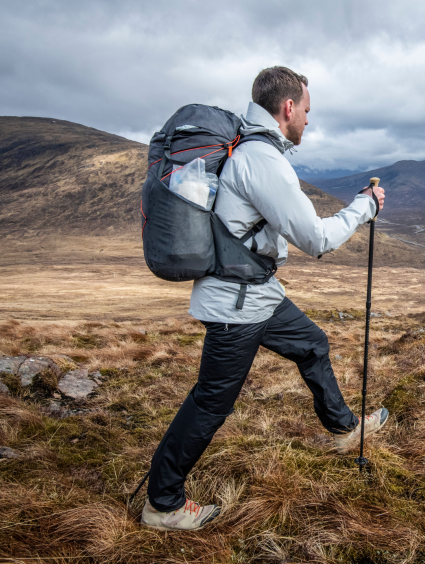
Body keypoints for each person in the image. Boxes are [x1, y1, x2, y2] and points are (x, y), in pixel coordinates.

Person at [141, 66, 389, 531]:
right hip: (237, 305)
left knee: (312, 343)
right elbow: (315, 238)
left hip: (256, 293)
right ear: (288, 108)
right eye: (307, 112)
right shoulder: (260, 158)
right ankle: (163, 503)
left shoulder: (253, 150)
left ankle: (343, 428)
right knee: (212, 401)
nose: (309, 123)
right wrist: (365, 208)